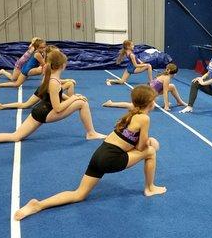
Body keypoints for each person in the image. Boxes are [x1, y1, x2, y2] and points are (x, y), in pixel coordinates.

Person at [14, 85, 166, 221]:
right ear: (150, 103)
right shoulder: (144, 118)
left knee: (79, 194)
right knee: (151, 152)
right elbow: (141, 148)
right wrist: (150, 141)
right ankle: (150, 188)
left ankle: (39, 204)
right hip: (112, 158)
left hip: (99, 154)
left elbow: (128, 141)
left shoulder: (132, 114)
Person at [0, 49, 106, 150]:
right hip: (46, 113)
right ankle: (91, 133)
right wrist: (74, 98)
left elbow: (56, 96)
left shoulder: (51, 78)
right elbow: (58, 108)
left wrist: (71, 97)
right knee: (82, 103)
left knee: (15, 136)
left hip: (39, 110)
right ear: (63, 65)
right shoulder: (54, 82)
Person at [103, 63, 187, 111]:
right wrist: (166, 106)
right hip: (148, 94)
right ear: (175, 73)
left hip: (151, 90)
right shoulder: (167, 78)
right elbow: (165, 92)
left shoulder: (164, 75)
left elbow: (163, 89)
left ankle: (179, 102)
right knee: (133, 106)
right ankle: (111, 103)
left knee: (172, 86)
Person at [0, 79, 76, 111]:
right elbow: (49, 82)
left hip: (45, 89)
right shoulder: (47, 67)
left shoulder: (50, 69)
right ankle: (2, 106)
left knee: (70, 83)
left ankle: (2, 105)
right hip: (46, 90)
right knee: (26, 105)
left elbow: (54, 82)